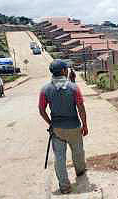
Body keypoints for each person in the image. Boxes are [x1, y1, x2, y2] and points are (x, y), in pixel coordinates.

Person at [38, 59, 88, 194]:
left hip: (57, 130)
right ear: (64, 71)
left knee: (59, 158)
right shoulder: (73, 88)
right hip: (74, 127)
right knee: (78, 151)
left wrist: (50, 123)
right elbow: (81, 108)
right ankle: (80, 171)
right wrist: (85, 125)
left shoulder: (45, 90)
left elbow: (41, 110)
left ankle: (65, 186)